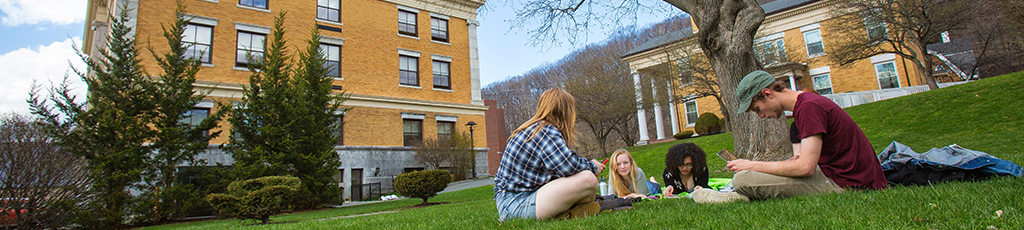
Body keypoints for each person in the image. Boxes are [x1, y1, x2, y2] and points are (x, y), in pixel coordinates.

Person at [693, 70, 887, 203]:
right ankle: (740, 195)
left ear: (767, 94)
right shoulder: (806, 105)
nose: (760, 115)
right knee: (754, 175)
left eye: (757, 109)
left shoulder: (809, 108)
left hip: (848, 183)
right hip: (841, 174)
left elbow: (805, 168)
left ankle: (737, 196)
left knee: (742, 180)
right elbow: (809, 159)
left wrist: (751, 164)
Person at [494, 88, 606, 221]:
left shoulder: (535, 128)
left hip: (510, 204)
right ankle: (570, 211)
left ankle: (569, 211)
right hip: (516, 206)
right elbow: (567, 165)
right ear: (565, 111)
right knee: (588, 179)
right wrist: (593, 166)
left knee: (583, 179)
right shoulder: (545, 130)